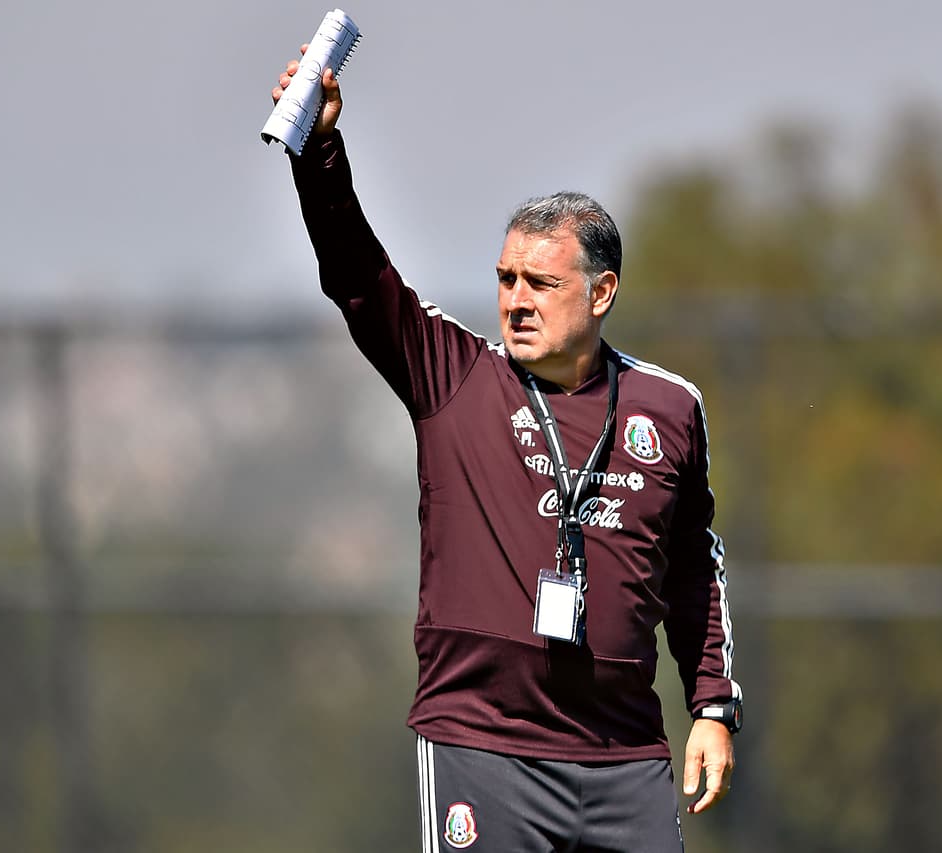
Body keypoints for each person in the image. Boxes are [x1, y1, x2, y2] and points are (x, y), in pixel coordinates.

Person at [272, 48, 741, 853]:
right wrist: (318, 153)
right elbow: (356, 275)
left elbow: (695, 572)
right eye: (505, 279)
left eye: (540, 283)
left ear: (601, 292)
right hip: (482, 746)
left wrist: (711, 706)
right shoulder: (453, 376)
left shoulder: (670, 409)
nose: (516, 301)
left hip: (623, 757)